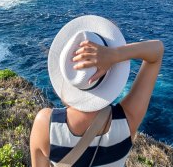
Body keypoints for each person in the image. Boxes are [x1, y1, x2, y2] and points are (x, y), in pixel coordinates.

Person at [30, 15, 164, 166]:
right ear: (110, 74)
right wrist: (115, 54)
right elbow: (157, 51)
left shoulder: (46, 124)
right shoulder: (127, 120)